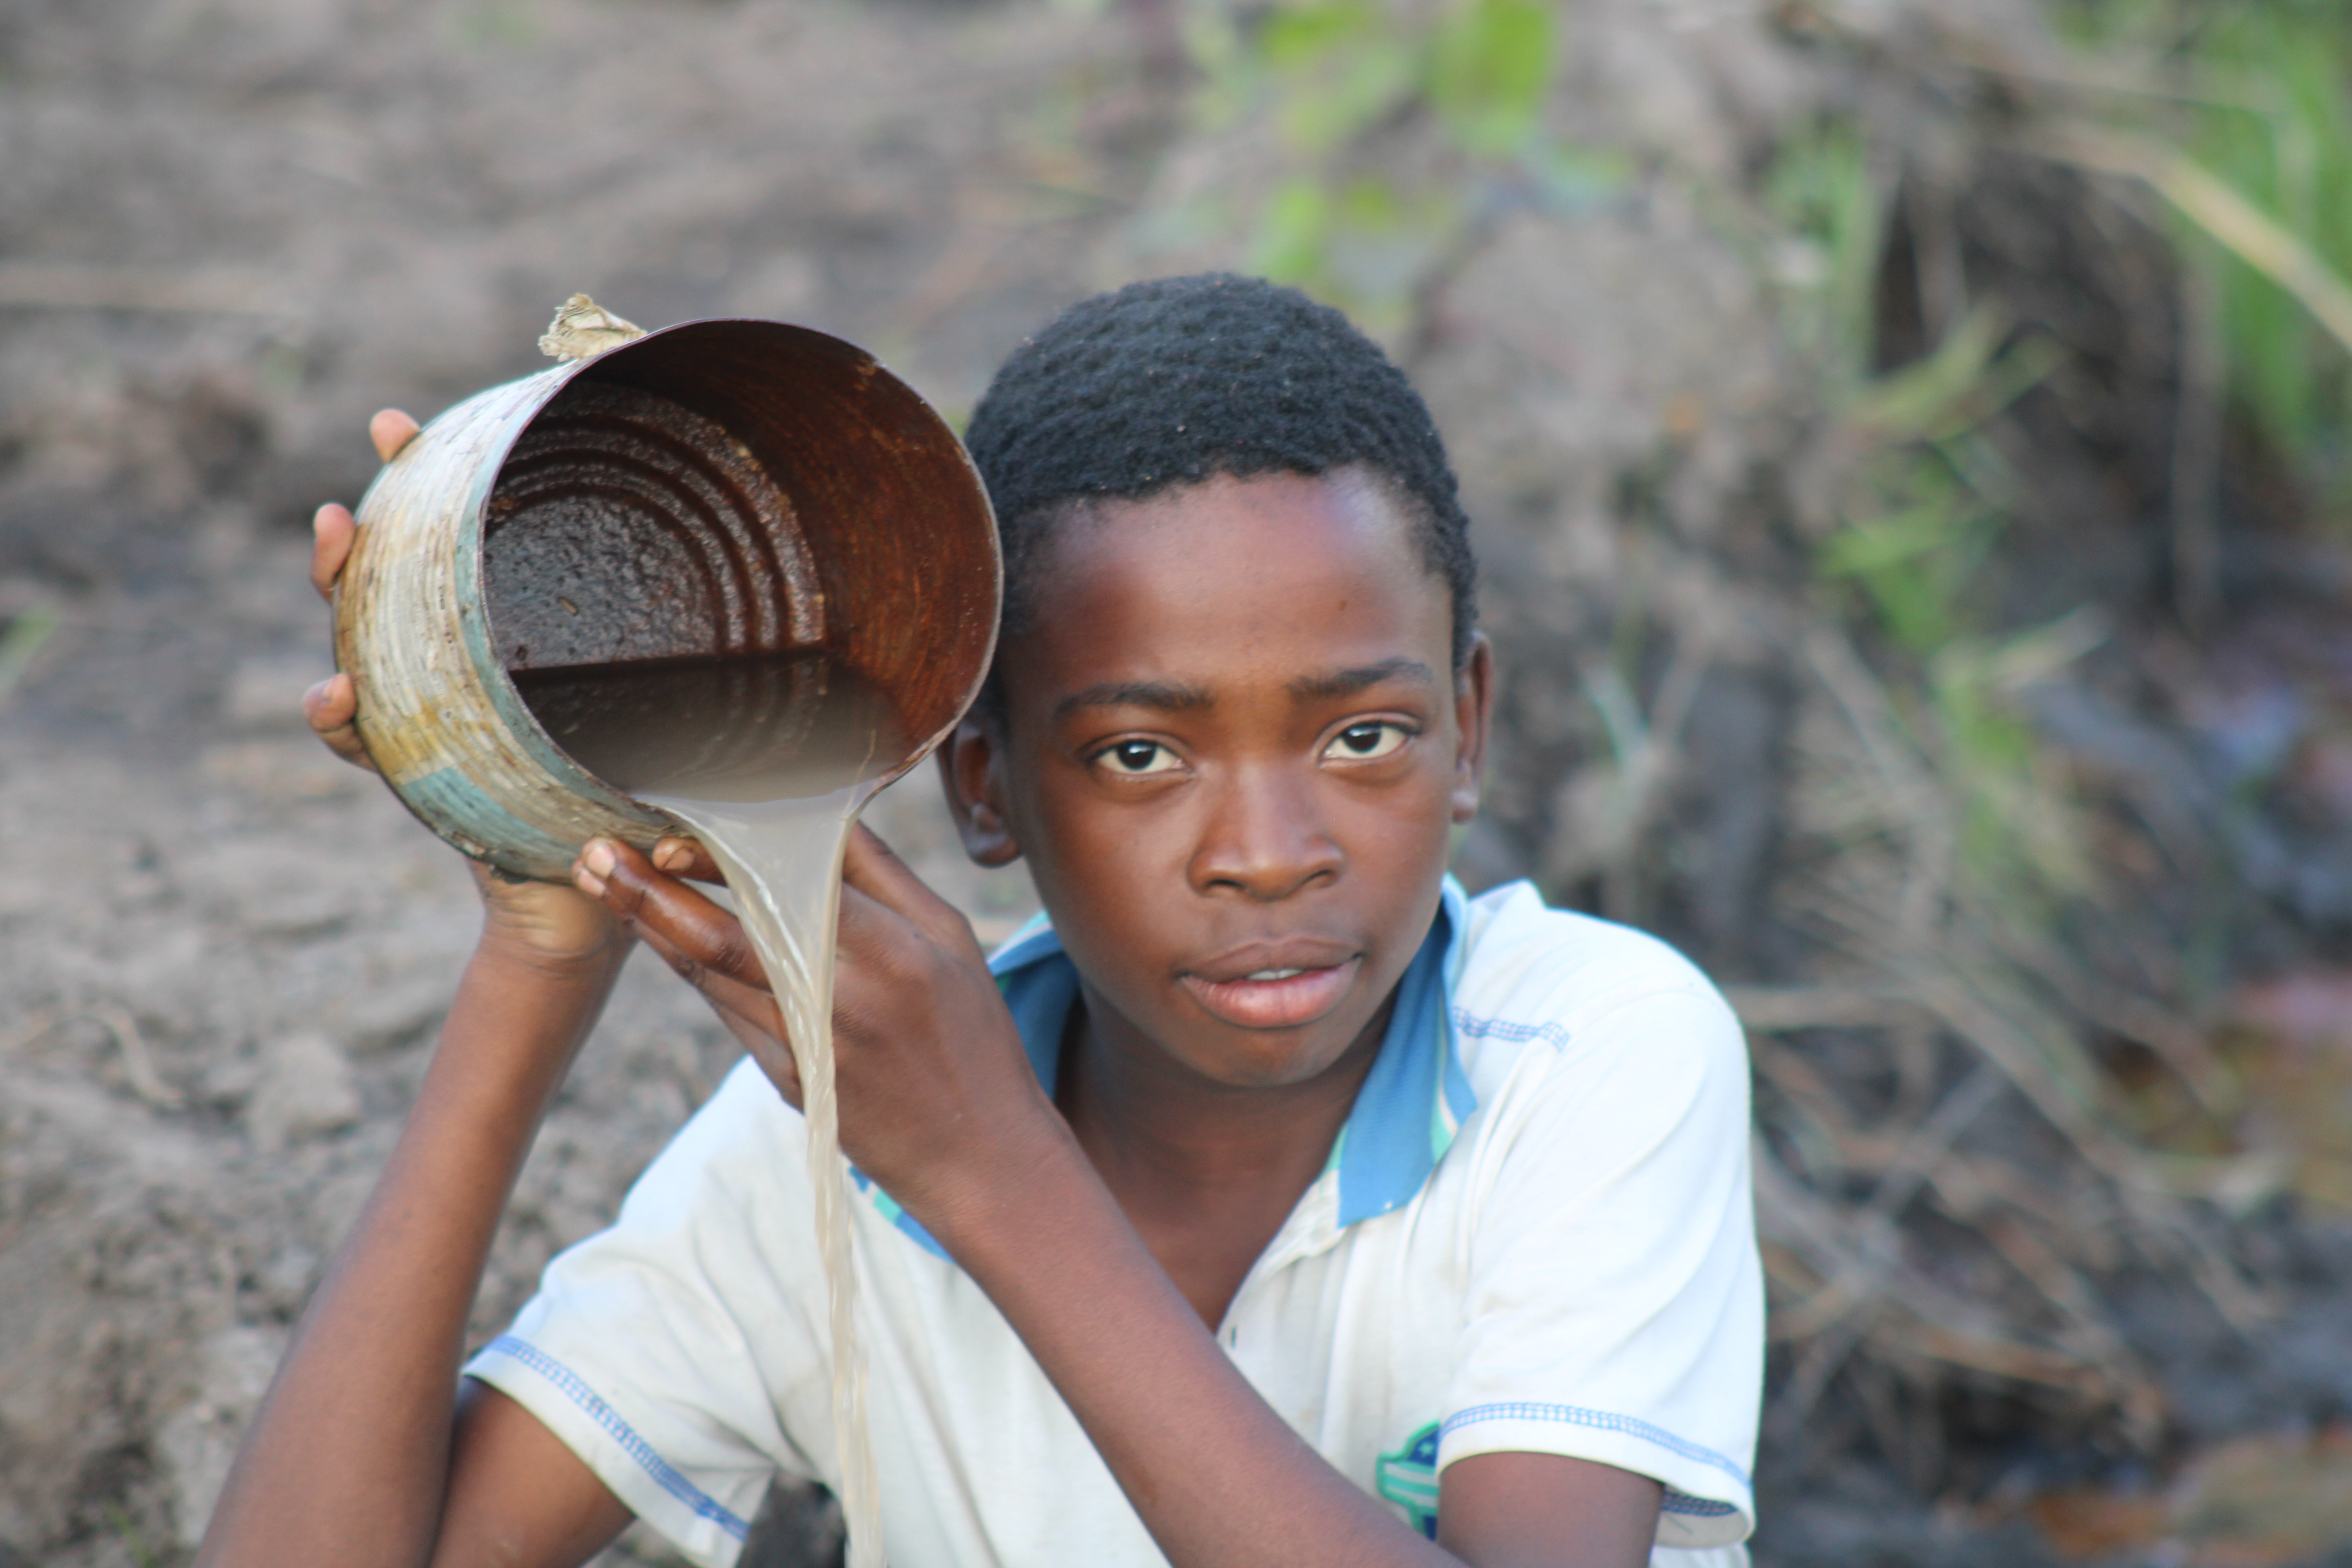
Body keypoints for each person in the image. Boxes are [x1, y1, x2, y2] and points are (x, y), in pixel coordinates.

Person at [200, 274, 1761, 1568]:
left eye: (1362, 738)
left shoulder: (1589, 1056)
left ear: (1470, 726)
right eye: (1140, 755)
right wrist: (542, 939)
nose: (1271, 855)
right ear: (986, 791)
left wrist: (988, 1168)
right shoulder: (823, 1158)